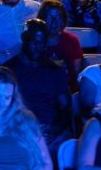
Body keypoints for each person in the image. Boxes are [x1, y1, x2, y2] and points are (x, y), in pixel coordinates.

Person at [6, 19, 72, 151]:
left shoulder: (55, 70)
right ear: (25, 40)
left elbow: (66, 108)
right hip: (18, 130)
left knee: (63, 145)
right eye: (35, 42)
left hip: (49, 130)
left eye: (42, 43)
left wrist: (54, 130)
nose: (39, 47)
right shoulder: (8, 70)